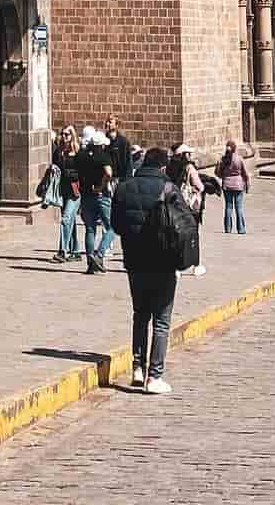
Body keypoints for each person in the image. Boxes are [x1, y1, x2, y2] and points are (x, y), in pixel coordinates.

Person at [111, 144, 198, 396]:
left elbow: (115, 224)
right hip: (163, 262)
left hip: (135, 262)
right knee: (161, 321)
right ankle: (155, 376)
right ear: (162, 167)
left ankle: (137, 369)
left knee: (140, 315)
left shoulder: (125, 187)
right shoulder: (168, 188)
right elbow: (185, 222)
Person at [77, 127, 115, 273]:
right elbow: (108, 173)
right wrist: (101, 186)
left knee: (90, 228)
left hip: (86, 195)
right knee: (112, 227)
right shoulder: (103, 156)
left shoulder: (82, 156)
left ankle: (90, 263)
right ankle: (99, 254)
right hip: (101, 195)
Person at [167, 144, 207, 277]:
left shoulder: (169, 167)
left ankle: (175, 267)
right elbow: (199, 186)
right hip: (188, 208)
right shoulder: (189, 168)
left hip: (174, 205)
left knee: (175, 235)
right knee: (192, 236)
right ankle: (196, 265)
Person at [53, 126, 82, 261]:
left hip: (75, 191)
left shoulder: (78, 152)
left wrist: (70, 174)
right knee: (70, 220)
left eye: (67, 134)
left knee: (65, 219)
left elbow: (83, 172)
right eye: (62, 134)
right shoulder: (59, 152)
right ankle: (75, 251)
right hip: (63, 190)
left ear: (72, 136)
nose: (64, 137)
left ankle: (62, 251)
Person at [217, 140, 250, 234]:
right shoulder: (239, 159)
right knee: (239, 207)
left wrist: (224, 176)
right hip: (238, 185)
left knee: (228, 206)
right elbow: (245, 173)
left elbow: (218, 172)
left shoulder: (223, 159)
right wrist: (247, 183)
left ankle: (228, 228)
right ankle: (241, 229)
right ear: (235, 149)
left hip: (226, 185)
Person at [104, 115, 134, 184]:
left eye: (110, 122)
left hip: (119, 179)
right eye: (106, 122)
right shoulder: (102, 140)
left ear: (117, 125)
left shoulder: (123, 142)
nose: (107, 124)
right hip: (105, 180)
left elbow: (128, 163)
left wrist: (127, 181)